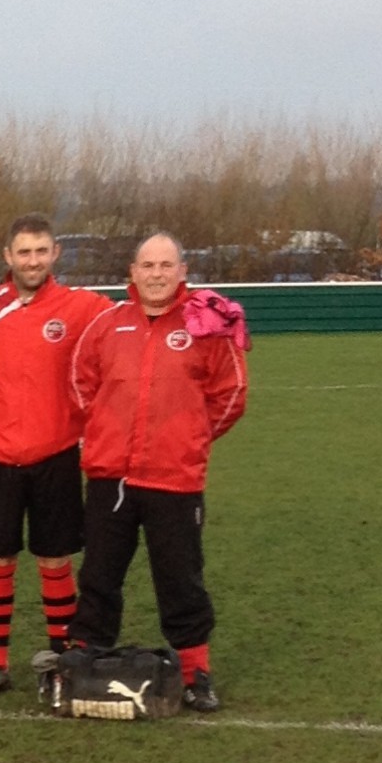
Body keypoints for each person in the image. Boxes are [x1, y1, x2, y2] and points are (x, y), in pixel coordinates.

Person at [68, 232, 248, 711]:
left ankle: (196, 676)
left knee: (180, 580)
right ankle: (88, 665)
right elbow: (80, 383)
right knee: (99, 577)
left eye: (166, 265)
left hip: (175, 479)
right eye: (148, 265)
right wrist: (105, 431)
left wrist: (189, 439)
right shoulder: (108, 325)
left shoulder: (204, 326)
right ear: (133, 271)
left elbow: (231, 395)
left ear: (182, 271)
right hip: (111, 480)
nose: (156, 274)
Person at [0, 213, 114, 695]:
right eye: (23, 252)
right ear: (7, 256)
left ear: (55, 254)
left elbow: (135, 325)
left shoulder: (85, 308)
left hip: (58, 454)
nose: (32, 260)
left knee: (54, 562)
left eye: (40, 251)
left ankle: (64, 664)